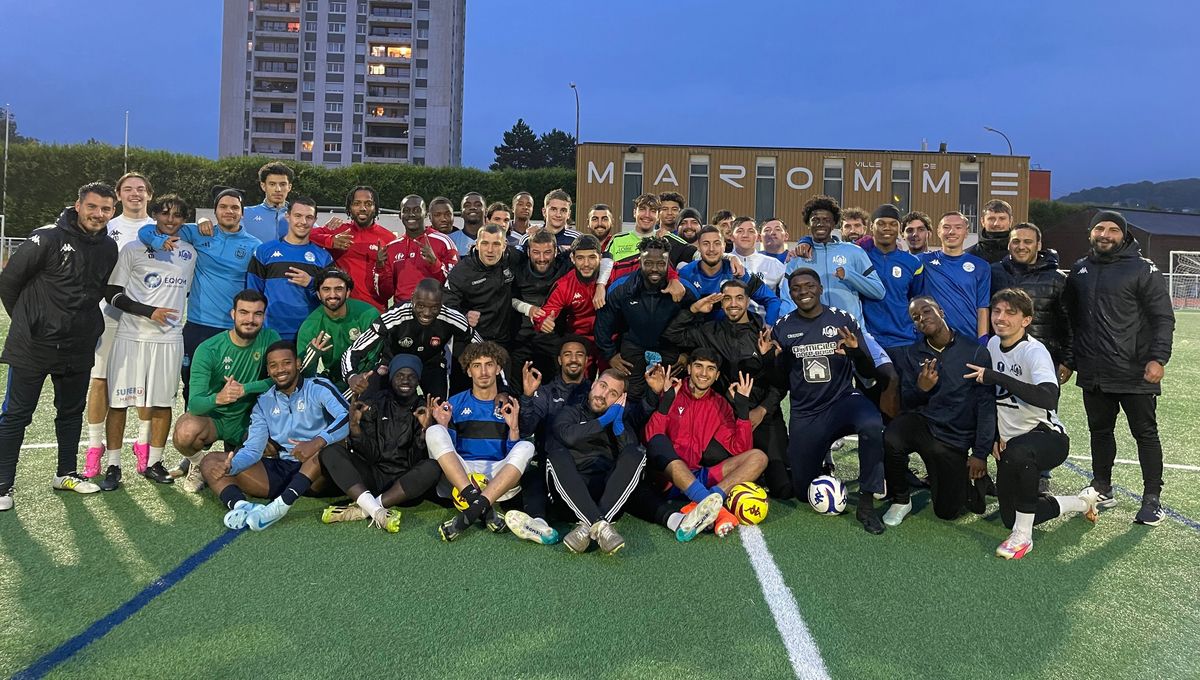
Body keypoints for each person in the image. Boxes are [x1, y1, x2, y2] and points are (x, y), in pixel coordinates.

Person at [0, 182, 120, 509]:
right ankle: (2, 486)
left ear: (113, 212)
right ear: (77, 205)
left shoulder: (109, 247)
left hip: (78, 345)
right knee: (16, 415)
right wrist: (29, 321)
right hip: (33, 345)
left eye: (106, 209)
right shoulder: (47, 237)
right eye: (92, 207)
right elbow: (9, 283)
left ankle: (66, 473)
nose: (98, 214)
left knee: (70, 413)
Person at [964, 289, 1102, 559]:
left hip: (1047, 438)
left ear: (1026, 320)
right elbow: (990, 400)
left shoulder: (1034, 351)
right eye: (997, 311)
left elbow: (1048, 397)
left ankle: (1023, 538)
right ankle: (1081, 502)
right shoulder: (992, 345)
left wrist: (997, 377)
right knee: (1009, 516)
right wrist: (992, 436)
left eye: (1010, 313)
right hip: (1011, 443)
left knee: (1019, 453)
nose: (1001, 318)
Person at [1064, 210, 1175, 526]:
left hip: (1135, 371)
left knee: (1145, 434)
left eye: (1113, 230)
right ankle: (1102, 487)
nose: (1105, 234)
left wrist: (1158, 359)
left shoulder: (1144, 269)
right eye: (1100, 228)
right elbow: (1072, 321)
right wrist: (1071, 361)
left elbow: (1163, 318)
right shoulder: (1080, 270)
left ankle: (1152, 499)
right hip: (1094, 370)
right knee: (1099, 432)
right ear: (1091, 233)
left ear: (1124, 236)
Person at [771, 268, 886, 533]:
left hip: (842, 401)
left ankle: (867, 504)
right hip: (806, 412)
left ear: (820, 288)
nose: (803, 292)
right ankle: (822, 464)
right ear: (790, 293)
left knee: (871, 424)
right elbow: (780, 381)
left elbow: (869, 373)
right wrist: (770, 360)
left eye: (809, 286)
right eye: (797, 288)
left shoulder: (842, 320)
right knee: (802, 491)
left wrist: (856, 352)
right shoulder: (784, 327)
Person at [101, 194, 198, 487]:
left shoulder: (190, 253)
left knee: (161, 403)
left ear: (184, 220)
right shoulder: (133, 249)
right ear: (154, 214)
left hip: (169, 340)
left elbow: (187, 293)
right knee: (119, 403)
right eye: (165, 213)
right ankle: (113, 465)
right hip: (130, 335)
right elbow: (112, 294)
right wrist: (148, 311)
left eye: (178, 215)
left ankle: (154, 462)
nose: (171, 220)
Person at [663, 279, 789, 497]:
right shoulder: (709, 331)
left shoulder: (765, 332)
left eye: (739, 298)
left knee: (783, 489)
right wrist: (694, 309)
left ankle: (758, 473)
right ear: (721, 303)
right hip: (725, 419)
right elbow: (671, 335)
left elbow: (780, 383)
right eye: (727, 298)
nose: (733, 304)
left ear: (748, 300)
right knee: (712, 458)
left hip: (762, 416)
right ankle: (717, 491)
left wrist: (762, 410)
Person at [201, 341, 346, 532]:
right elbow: (253, 449)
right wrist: (232, 465)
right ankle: (242, 507)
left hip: (320, 473)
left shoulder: (319, 387)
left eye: (286, 363)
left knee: (323, 452)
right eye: (273, 365)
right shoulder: (264, 402)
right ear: (268, 371)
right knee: (210, 461)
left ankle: (279, 507)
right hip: (283, 468)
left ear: (298, 363)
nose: (280, 370)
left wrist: (316, 442)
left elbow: (346, 417)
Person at [631, 349, 768, 541]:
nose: (704, 373)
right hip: (667, 477)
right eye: (699, 366)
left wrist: (743, 409)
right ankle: (714, 508)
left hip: (698, 475)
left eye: (710, 369)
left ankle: (708, 499)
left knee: (758, 458)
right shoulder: (671, 390)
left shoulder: (720, 404)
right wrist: (666, 402)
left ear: (717, 375)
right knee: (672, 457)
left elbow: (740, 449)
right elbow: (652, 439)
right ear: (689, 368)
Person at [139, 187, 260, 405]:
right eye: (223, 207)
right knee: (193, 388)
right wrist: (158, 242)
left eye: (235, 207)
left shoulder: (254, 245)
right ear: (215, 211)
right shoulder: (197, 233)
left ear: (242, 213)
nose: (229, 211)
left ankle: (232, 438)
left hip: (232, 329)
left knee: (234, 389)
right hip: (198, 326)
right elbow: (147, 231)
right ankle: (194, 435)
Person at [881, 296, 995, 526]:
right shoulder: (914, 353)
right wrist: (922, 389)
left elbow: (986, 406)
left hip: (953, 438)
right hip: (924, 425)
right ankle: (901, 499)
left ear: (941, 311)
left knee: (946, 511)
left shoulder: (974, 352)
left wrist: (980, 453)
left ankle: (964, 483)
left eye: (927, 311)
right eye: (916, 317)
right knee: (892, 436)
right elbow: (909, 403)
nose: (922, 318)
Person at [525, 369, 647, 554]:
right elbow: (568, 437)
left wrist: (618, 426)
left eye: (613, 393)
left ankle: (590, 523)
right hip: (570, 495)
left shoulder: (620, 421)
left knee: (636, 451)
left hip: (608, 497)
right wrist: (604, 420)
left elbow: (630, 460)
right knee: (556, 455)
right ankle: (599, 523)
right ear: (594, 384)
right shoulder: (569, 412)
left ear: (620, 401)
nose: (603, 395)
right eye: (603, 386)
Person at [425, 341, 536, 541]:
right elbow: (448, 450)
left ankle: (471, 511)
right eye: (477, 366)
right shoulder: (455, 403)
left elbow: (512, 454)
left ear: (498, 368)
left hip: (497, 479)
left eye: (489, 364)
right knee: (434, 431)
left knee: (527, 446)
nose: (483, 372)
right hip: (461, 477)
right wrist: (443, 426)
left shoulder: (509, 404)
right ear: (469, 372)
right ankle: (482, 507)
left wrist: (513, 428)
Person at [171, 290, 281, 493]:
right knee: (185, 432)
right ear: (233, 314)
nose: (250, 319)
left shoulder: (270, 338)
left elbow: (281, 380)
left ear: (264, 316)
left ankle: (235, 454)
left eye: (257, 314)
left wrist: (245, 389)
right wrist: (219, 397)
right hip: (216, 421)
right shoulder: (209, 349)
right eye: (244, 313)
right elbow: (195, 404)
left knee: (273, 451)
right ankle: (196, 463)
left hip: (251, 421)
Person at [318, 354, 442, 533]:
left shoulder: (424, 409)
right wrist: (354, 426)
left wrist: (425, 430)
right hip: (374, 477)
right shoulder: (375, 403)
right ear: (391, 378)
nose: (405, 380)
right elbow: (371, 455)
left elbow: (416, 461)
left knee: (433, 466)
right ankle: (377, 511)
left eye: (411, 375)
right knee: (330, 452)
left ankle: (363, 509)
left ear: (418, 380)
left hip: (405, 486)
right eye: (400, 375)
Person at [85, 172, 155, 485]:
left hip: (144, 318)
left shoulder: (159, 229)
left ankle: (142, 441)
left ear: (150, 195)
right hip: (107, 315)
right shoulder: (106, 226)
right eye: (128, 189)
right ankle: (95, 446)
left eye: (141, 189)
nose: (135, 194)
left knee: (144, 385)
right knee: (99, 380)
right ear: (118, 196)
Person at [343, 278, 481, 401]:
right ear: (412, 299)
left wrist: (500, 386)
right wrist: (351, 376)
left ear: (441, 303)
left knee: (438, 408)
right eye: (421, 306)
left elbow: (485, 349)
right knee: (364, 404)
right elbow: (353, 350)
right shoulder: (394, 316)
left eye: (434, 307)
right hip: (393, 362)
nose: (427, 313)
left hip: (431, 364)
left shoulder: (452, 317)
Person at [510, 336, 593, 539]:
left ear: (587, 360)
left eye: (579, 354)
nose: (573, 359)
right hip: (551, 467)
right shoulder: (546, 392)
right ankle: (538, 523)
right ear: (559, 360)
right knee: (531, 474)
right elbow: (526, 428)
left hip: (585, 466)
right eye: (568, 354)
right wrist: (528, 397)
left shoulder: (596, 392)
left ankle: (587, 518)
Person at [594, 237, 691, 399]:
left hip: (670, 349)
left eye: (661, 264)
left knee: (670, 396)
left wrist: (688, 354)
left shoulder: (682, 290)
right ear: (640, 261)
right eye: (649, 263)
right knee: (632, 396)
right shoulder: (622, 288)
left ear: (668, 264)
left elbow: (698, 321)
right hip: (633, 347)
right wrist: (610, 354)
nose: (654, 269)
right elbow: (603, 323)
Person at [784, 195, 885, 325]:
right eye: (815, 220)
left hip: (850, 332)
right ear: (808, 224)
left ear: (833, 224)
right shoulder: (797, 257)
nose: (820, 224)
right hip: (812, 335)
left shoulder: (855, 252)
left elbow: (879, 292)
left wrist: (849, 275)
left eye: (826, 220)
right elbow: (787, 299)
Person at [990, 222, 1072, 380]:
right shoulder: (994, 272)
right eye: (1016, 241)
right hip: (1000, 357)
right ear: (1009, 244)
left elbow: (1068, 321)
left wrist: (1067, 360)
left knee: (1041, 403)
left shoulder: (1057, 278)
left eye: (1027, 241)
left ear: (1038, 244)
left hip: (1044, 358)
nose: (1021, 246)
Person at [246, 196, 333, 341]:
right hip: (270, 333)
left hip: (309, 334)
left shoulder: (324, 257)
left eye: (309, 217)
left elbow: (331, 299)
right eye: (298, 216)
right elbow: (253, 294)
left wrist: (312, 282)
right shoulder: (264, 252)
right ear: (287, 216)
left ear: (315, 220)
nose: (303, 222)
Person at [308, 185, 395, 311]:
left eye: (368, 203)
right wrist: (331, 240)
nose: (363, 208)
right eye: (357, 203)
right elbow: (309, 234)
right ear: (349, 207)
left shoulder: (388, 238)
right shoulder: (340, 231)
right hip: (343, 310)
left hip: (374, 311)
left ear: (375, 208)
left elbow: (390, 283)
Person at [296, 268, 381, 391]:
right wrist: (312, 356)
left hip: (367, 377)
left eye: (338, 289)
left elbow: (376, 356)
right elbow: (304, 375)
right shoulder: (310, 326)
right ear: (319, 294)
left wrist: (358, 379)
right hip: (332, 382)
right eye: (326, 289)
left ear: (347, 292)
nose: (332, 295)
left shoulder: (368, 314)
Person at [678, 227, 781, 326]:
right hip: (696, 337)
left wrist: (769, 325)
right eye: (706, 244)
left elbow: (772, 300)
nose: (711, 249)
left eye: (717, 243)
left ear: (724, 246)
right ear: (699, 247)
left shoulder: (737, 272)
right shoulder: (686, 274)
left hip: (731, 337)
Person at [509, 230, 573, 381]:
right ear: (529, 252)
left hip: (553, 336)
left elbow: (602, 256)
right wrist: (528, 309)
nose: (542, 258)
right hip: (521, 337)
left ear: (556, 251)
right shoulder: (518, 267)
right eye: (536, 252)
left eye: (548, 252)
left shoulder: (565, 265)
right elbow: (508, 299)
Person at [918, 211, 990, 342]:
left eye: (958, 227)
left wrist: (983, 340)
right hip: (931, 340)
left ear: (966, 232)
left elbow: (982, 307)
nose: (952, 232)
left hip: (968, 340)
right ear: (938, 231)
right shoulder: (923, 261)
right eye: (946, 227)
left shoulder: (981, 266)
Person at [860, 204, 924, 352]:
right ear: (871, 227)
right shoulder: (860, 259)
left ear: (900, 229)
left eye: (893, 224)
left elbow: (916, 298)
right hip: (870, 340)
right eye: (881, 223)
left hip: (904, 340)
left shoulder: (913, 263)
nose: (887, 228)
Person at [443, 224, 519, 346]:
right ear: (477, 244)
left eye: (496, 244)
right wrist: (464, 315)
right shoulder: (461, 272)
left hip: (504, 341)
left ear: (504, 245)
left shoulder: (513, 258)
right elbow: (447, 306)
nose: (490, 250)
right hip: (472, 340)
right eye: (485, 243)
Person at [378, 194, 458, 305]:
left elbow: (454, 284)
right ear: (400, 215)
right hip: (402, 311)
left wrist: (435, 263)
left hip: (434, 309)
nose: (411, 214)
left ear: (425, 214)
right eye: (406, 210)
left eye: (417, 210)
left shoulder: (444, 241)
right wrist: (380, 268)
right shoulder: (391, 247)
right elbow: (385, 293)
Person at [533, 235, 603, 346]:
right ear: (572, 258)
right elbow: (545, 314)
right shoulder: (564, 285)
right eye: (580, 258)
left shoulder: (612, 276)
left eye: (592, 257)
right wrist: (543, 321)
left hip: (610, 339)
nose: (586, 264)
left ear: (600, 258)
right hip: (577, 340)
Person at [603, 192, 659, 284]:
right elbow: (604, 270)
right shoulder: (617, 240)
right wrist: (600, 287)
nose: (647, 215)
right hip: (621, 295)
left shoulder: (665, 240)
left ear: (658, 216)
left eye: (653, 211)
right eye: (642, 209)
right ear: (634, 213)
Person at [729, 217, 785, 297]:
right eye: (740, 231)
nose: (745, 235)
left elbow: (788, 298)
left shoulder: (774, 264)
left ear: (758, 237)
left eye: (751, 231)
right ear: (731, 237)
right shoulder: (722, 262)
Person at [242, 162, 293, 244]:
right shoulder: (244, 213)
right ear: (263, 186)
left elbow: (319, 234)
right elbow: (221, 230)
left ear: (289, 187)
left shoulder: (299, 216)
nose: (278, 189)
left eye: (283, 184)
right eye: (272, 184)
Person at [966, 199, 1014, 264]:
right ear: (982, 221)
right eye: (991, 219)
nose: (996, 223)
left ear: (1010, 221)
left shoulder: (1021, 253)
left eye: (1002, 218)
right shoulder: (969, 256)